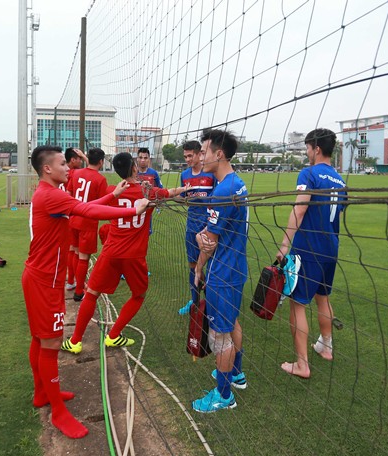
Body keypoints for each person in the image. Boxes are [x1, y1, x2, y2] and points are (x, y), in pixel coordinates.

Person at [22, 145, 149, 439]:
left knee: (40, 339)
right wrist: (131, 208)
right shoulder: (50, 194)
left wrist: (114, 196)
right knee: (51, 343)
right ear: (47, 170)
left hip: (41, 277)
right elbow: (87, 210)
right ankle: (57, 412)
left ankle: (42, 393)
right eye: (63, 164)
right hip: (44, 280)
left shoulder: (50, 192)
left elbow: (84, 207)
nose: (69, 168)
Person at [61, 152, 186, 354]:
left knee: (91, 294)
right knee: (139, 294)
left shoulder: (113, 191)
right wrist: (185, 188)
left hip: (111, 252)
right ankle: (113, 335)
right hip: (134, 256)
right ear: (135, 168)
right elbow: (170, 192)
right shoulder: (149, 193)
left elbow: (90, 207)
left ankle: (75, 341)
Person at [276, 128, 347, 379]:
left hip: (309, 249)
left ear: (316, 149)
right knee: (323, 297)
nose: (306, 153)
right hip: (331, 249)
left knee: (297, 304)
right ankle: (326, 347)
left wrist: (285, 244)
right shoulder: (341, 181)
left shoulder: (309, 173)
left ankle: (302, 364)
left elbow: (300, 208)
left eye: (307, 148)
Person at [192, 129, 249, 413]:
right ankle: (235, 373)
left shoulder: (224, 190)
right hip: (236, 268)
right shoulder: (236, 183)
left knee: (219, 337)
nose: (201, 157)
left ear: (219, 154)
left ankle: (224, 395)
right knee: (232, 322)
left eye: (204, 151)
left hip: (223, 273)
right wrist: (206, 235)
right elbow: (215, 231)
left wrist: (199, 265)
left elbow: (208, 242)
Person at [178, 140, 216, 315]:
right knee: (192, 264)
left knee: (212, 265)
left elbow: (217, 200)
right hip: (192, 224)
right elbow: (184, 199)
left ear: (199, 154)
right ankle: (194, 301)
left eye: (190, 155)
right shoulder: (185, 175)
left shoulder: (210, 174)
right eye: (185, 156)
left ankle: (212, 302)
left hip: (209, 225)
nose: (187, 159)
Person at [67, 148, 109, 302]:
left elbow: (69, 194)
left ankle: (71, 281)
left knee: (74, 251)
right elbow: (104, 202)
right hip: (88, 221)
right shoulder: (100, 179)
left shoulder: (76, 173)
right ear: (101, 162)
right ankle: (79, 291)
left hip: (73, 217)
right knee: (83, 257)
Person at [63, 147, 89, 290]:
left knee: (71, 249)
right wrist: (85, 157)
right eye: (78, 158)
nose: (80, 161)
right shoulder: (75, 173)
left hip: (66, 215)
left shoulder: (61, 172)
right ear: (73, 160)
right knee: (81, 254)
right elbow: (94, 167)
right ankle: (79, 287)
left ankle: (70, 281)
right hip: (78, 214)